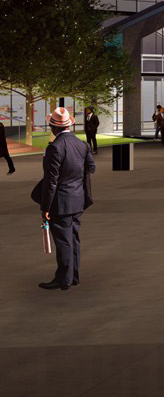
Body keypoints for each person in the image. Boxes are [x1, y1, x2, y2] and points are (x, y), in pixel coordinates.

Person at [38, 107, 94, 290]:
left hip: (60, 202)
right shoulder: (82, 145)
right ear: (69, 124)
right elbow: (90, 168)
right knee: (74, 239)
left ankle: (64, 279)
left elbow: (51, 181)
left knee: (63, 241)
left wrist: (45, 207)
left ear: (53, 127)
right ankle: (74, 276)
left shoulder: (55, 148)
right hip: (78, 199)